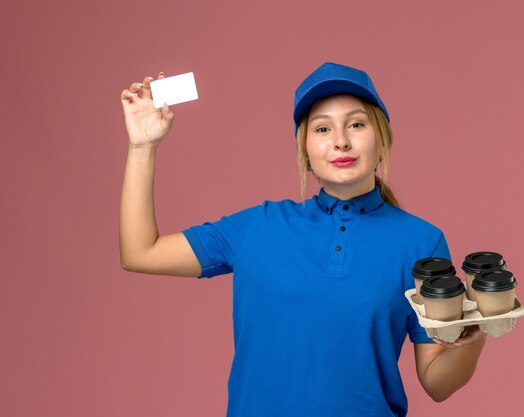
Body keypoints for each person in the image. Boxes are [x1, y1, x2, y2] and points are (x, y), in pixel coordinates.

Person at [119, 62, 487, 417]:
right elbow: (141, 253)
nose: (340, 141)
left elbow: (438, 384)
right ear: (305, 151)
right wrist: (141, 147)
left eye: (356, 124)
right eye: (323, 129)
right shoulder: (258, 227)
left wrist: (477, 333)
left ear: (382, 140)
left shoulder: (421, 242)